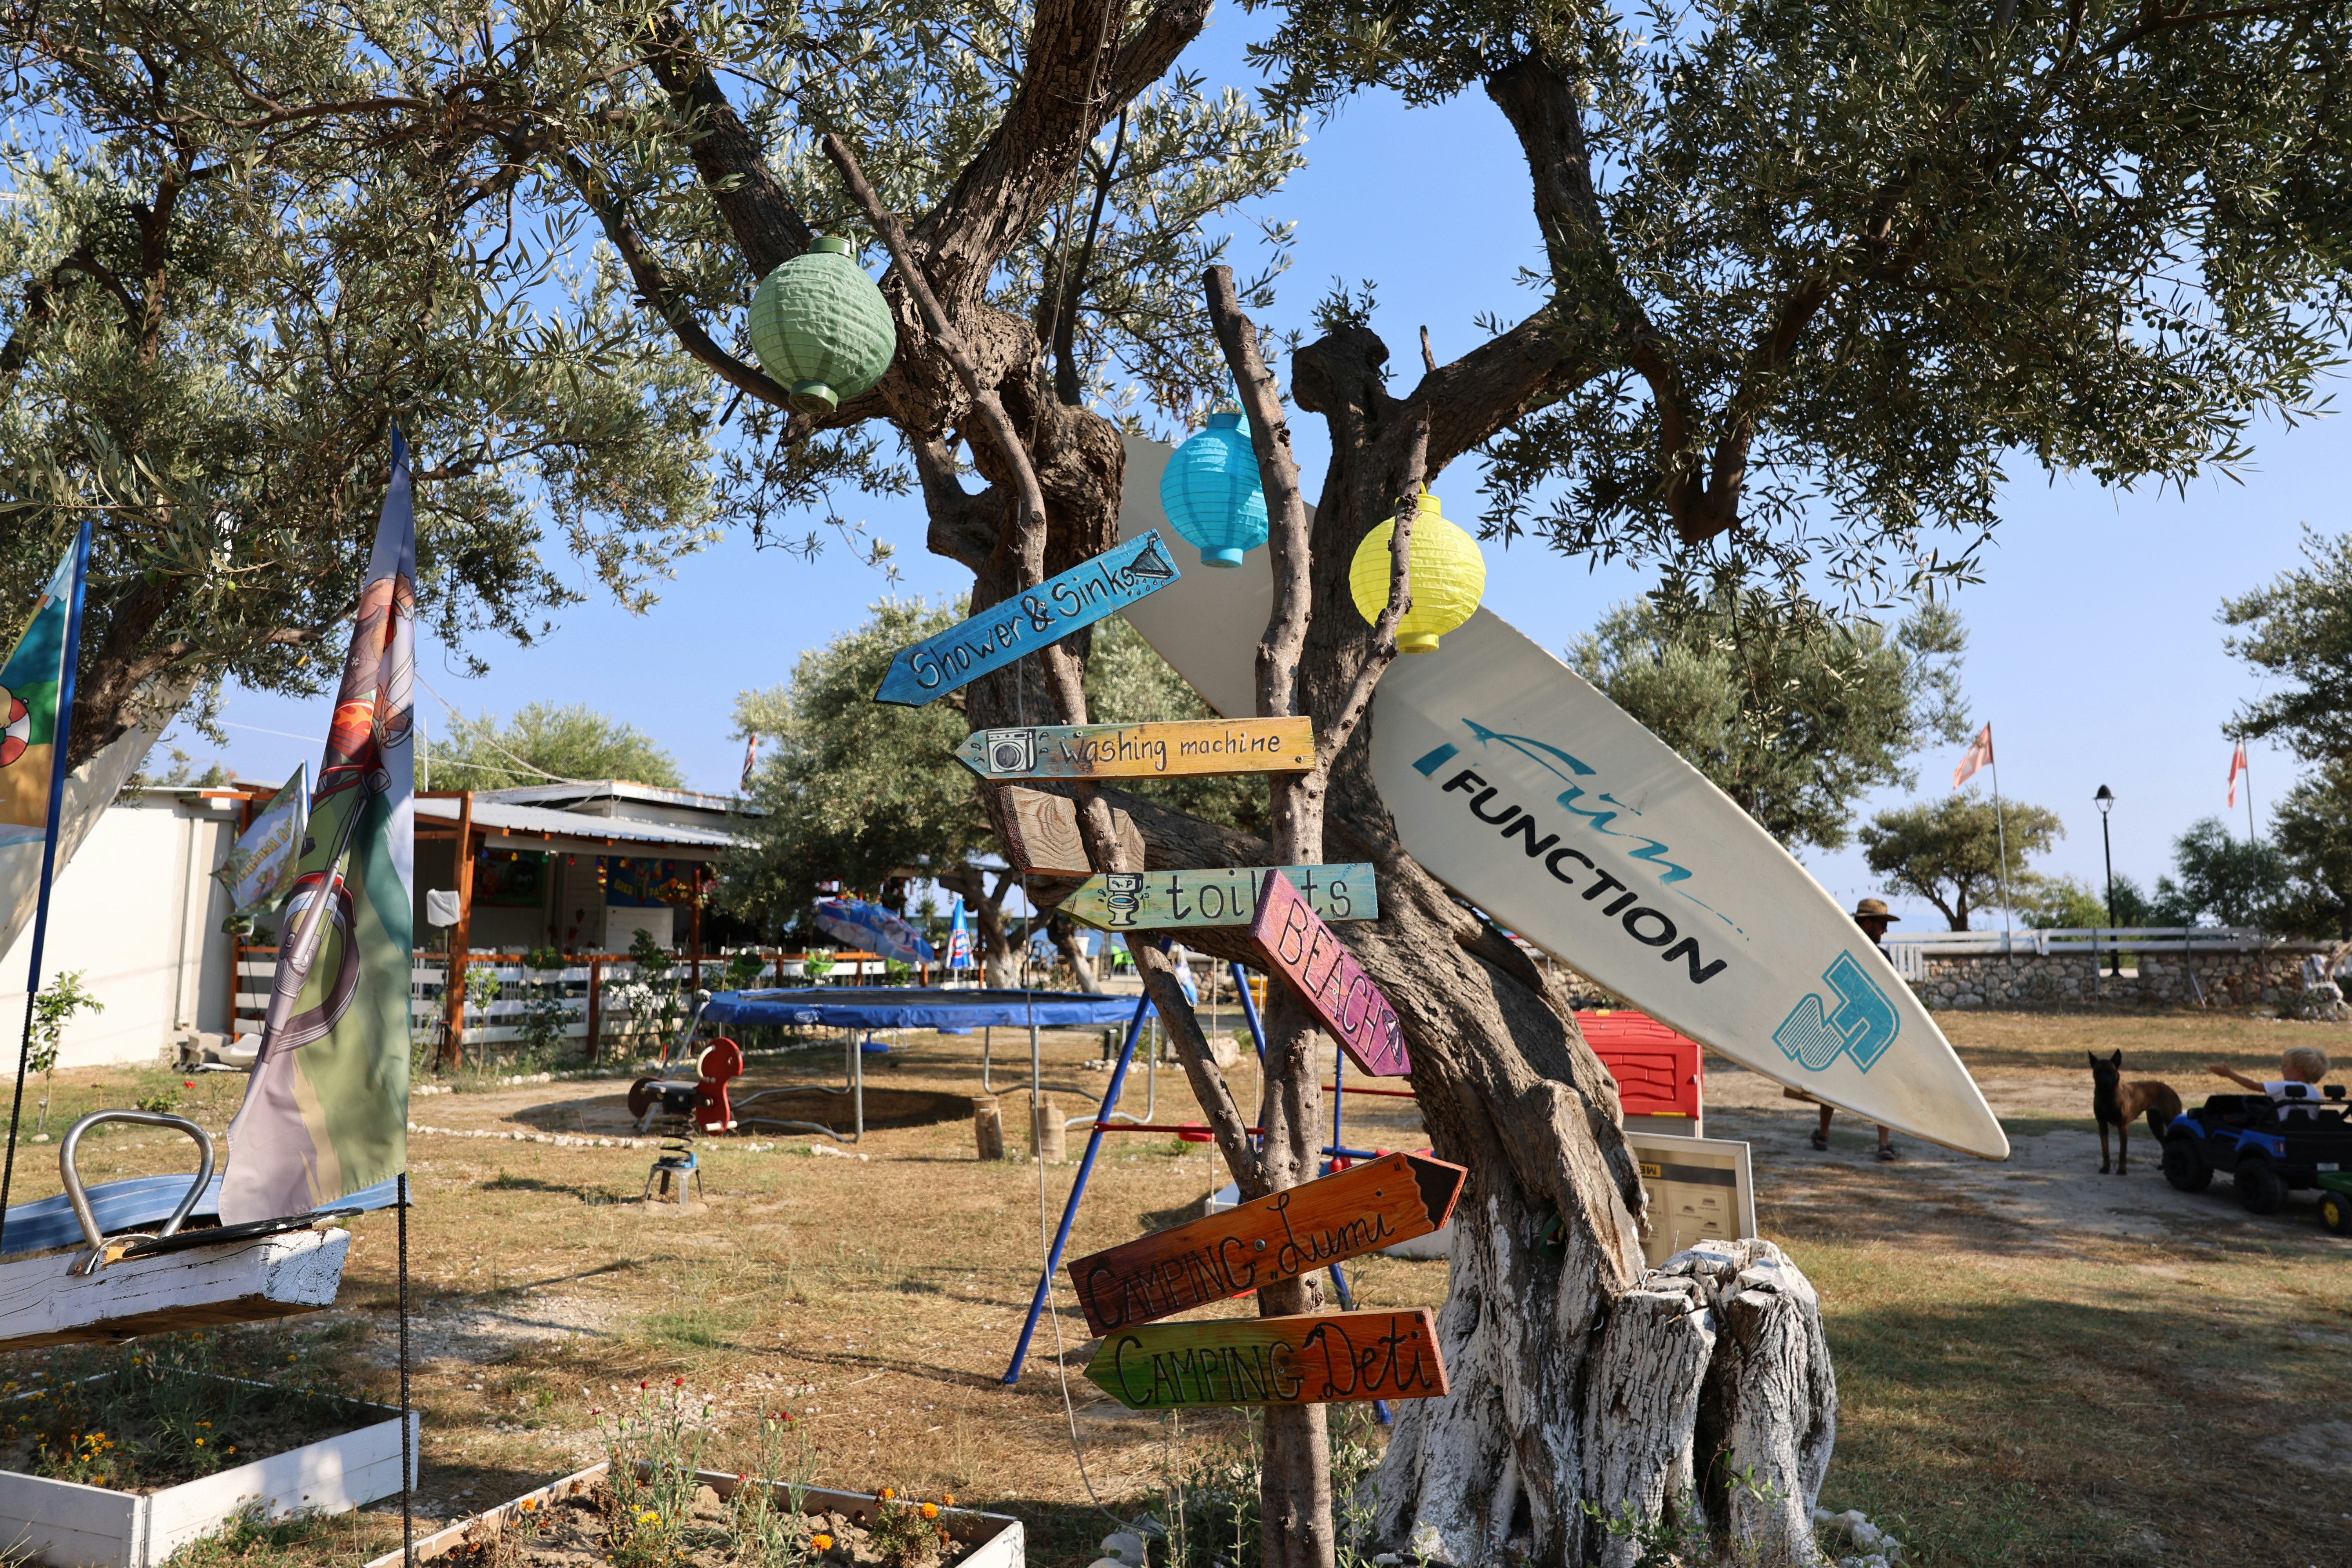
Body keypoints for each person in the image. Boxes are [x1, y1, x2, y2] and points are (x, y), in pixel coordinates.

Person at [1794, 898, 1902, 1160]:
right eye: (1881, 924)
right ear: (1867, 923)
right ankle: (1883, 1144)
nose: (1885, 930)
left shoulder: (1839, 951)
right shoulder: (1880, 958)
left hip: (1842, 1028)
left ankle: (1823, 1135)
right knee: (1879, 1087)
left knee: (1833, 1084)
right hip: (1866, 1031)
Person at [2207, 1044, 2333, 1117]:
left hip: (2283, 1133)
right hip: (2304, 1134)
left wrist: (2230, 1074)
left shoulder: (2287, 1088)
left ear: (2298, 1071)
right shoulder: (2315, 1093)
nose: (2281, 1070)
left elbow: (2253, 1086)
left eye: (2285, 1066)